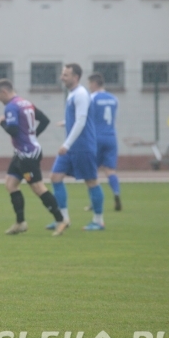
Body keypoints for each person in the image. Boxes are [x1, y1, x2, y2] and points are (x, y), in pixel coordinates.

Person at [0, 79, 67, 236]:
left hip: (28, 155)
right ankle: (21, 223)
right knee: (11, 184)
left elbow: (12, 130)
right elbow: (45, 120)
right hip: (22, 152)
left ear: (4, 92)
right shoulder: (25, 102)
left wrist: (2, 123)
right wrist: (32, 135)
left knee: (38, 188)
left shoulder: (11, 106)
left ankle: (61, 220)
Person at [46, 63, 104, 232]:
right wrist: (66, 123)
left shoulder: (80, 94)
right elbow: (78, 118)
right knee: (55, 177)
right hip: (72, 148)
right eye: (63, 74)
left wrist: (66, 144)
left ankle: (99, 221)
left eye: (66, 75)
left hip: (83, 146)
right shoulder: (73, 94)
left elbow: (81, 120)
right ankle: (63, 219)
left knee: (91, 181)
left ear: (75, 77)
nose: (62, 77)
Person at [88, 73, 121, 211]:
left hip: (96, 137)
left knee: (91, 171)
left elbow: (84, 117)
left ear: (95, 84)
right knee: (110, 170)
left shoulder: (92, 98)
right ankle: (117, 194)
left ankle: (95, 202)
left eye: (89, 84)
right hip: (111, 137)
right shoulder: (114, 99)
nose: (89, 87)